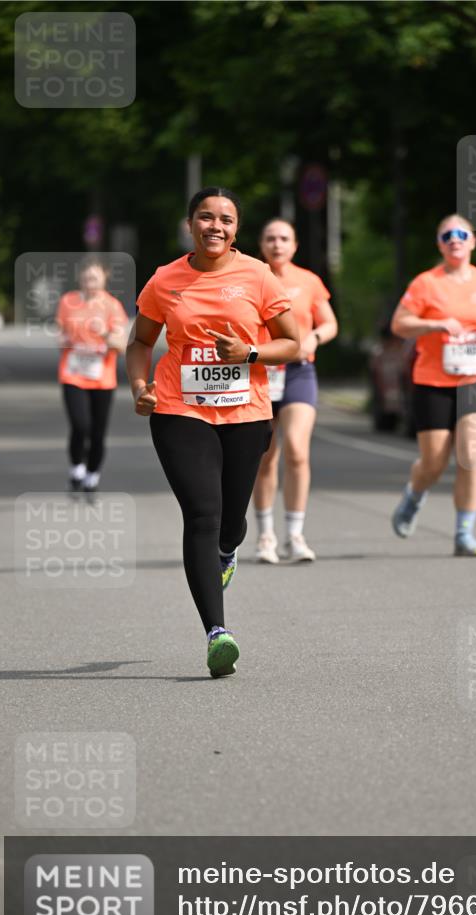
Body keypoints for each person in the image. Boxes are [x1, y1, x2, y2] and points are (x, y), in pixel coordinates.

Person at [127, 187, 300, 677]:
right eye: (206, 217)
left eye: (225, 219)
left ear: (236, 230)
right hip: (180, 410)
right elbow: (140, 341)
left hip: (246, 412)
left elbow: (293, 343)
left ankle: (229, 550)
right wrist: (140, 386)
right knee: (202, 514)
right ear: (191, 224)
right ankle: (216, 634)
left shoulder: (258, 277)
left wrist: (247, 354)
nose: (215, 226)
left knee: (230, 523)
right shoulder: (165, 280)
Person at [390, 214, 476, 556]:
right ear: (440, 244)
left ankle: (464, 533)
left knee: (470, 454)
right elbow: (400, 324)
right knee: (433, 463)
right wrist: (436, 325)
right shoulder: (425, 283)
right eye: (447, 235)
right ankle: (414, 495)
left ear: (473, 241)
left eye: (462, 234)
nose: (455, 239)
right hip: (432, 379)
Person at [252, 219, 338, 563]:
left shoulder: (308, 281)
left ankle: (295, 535)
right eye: (270, 238)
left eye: (284, 238)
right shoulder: (251, 278)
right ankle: (265, 536)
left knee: (298, 452)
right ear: (261, 243)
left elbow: (330, 323)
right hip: (259, 373)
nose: (277, 244)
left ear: (295, 245)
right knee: (265, 457)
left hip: (299, 372)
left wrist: (314, 337)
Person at [56, 257, 128, 494]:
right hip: (73, 373)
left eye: (95, 278)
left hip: (102, 378)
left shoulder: (112, 306)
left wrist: (105, 333)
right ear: (80, 279)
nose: (90, 282)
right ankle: (76, 466)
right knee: (80, 425)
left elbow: (122, 344)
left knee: (98, 432)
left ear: (105, 278)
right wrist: (63, 340)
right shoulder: (68, 301)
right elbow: (59, 334)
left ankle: (92, 474)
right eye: (87, 278)